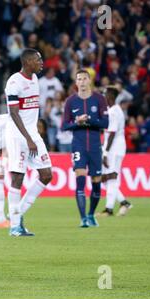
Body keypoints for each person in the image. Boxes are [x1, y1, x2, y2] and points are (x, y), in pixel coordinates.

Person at [4, 48, 53, 237]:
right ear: (27, 62)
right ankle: (15, 226)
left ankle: (17, 214)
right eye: (38, 59)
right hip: (18, 135)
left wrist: (34, 136)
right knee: (17, 178)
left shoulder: (35, 80)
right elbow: (14, 113)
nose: (42, 63)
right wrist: (28, 138)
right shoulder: (14, 82)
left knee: (47, 175)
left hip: (32, 134)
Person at [62, 69, 109, 228]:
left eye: (84, 79)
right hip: (79, 145)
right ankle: (83, 218)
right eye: (79, 79)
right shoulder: (70, 101)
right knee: (80, 179)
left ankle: (91, 214)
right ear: (76, 83)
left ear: (89, 81)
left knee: (96, 182)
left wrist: (88, 120)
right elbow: (64, 126)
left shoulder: (99, 99)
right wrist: (77, 123)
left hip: (95, 146)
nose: (81, 82)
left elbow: (105, 123)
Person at [97, 87, 132, 217]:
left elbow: (112, 134)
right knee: (105, 179)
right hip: (111, 147)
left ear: (111, 96)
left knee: (111, 177)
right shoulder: (112, 110)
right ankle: (124, 202)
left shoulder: (114, 112)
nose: (103, 97)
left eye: (105, 94)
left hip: (115, 149)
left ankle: (109, 209)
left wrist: (105, 153)